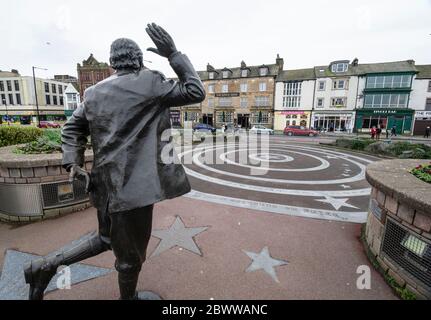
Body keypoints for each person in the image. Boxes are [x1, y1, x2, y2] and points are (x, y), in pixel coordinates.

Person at [23, 23, 206, 300]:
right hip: (134, 188)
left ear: (112, 62)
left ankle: (43, 267)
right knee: (130, 259)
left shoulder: (94, 92)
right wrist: (173, 54)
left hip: (105, 186)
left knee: (107, 239)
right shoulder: (151, 82)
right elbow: (195, 91)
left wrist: (73, 163)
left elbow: (71, 129)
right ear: (139, 59)